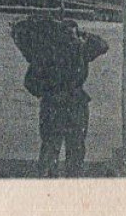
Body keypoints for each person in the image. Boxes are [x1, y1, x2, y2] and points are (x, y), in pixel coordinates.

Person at [13, 16, 110, 177]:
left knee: (52, 149)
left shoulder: (47, 53)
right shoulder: (80, 49)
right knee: (75, 150)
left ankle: (49, 184)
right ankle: (71, 184)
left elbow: (30, 83)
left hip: (53, 104)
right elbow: (102, 45)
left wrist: (47, 93)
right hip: (75, 103)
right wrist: (84, 35)